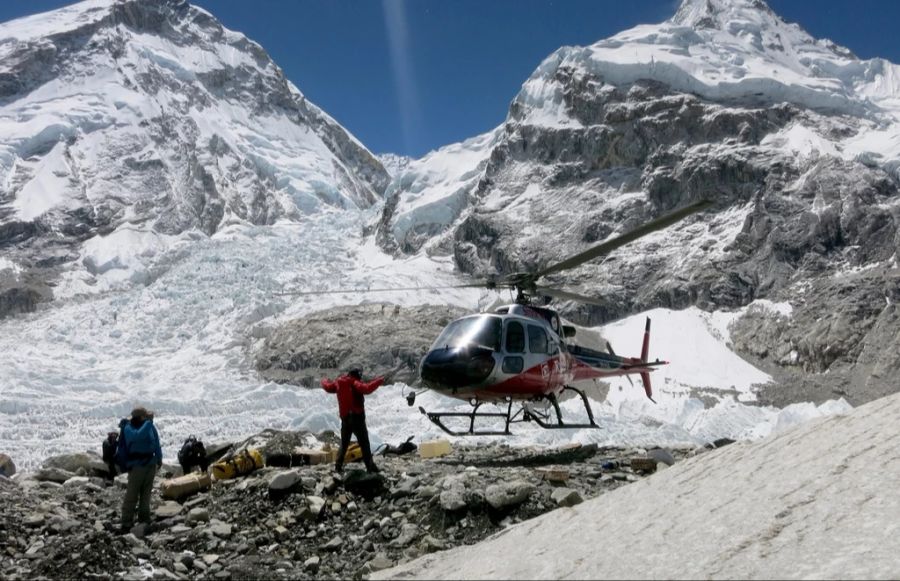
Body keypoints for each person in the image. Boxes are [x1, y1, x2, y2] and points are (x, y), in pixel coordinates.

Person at [321, 368, 385, 474]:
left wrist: (324, 380)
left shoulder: (338, 382)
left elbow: (327, 387)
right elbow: (367, 388)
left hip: (345, 419)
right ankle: (370, 467)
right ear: (356, 375)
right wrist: (379, 380)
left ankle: (338, 466)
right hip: (357, 418)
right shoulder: (354, 382)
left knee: (344, 443)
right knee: (364, 443)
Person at [115, 407, 163, 533]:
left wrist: (159, 458)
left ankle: (144, 518)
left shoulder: (149, 426)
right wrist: (148, 423)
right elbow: (137, 436)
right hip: (136, 466)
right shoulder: (128, 428)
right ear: (141, 417)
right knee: (132, 494)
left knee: (146, 494)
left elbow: (156, 442)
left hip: (150, 464)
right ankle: (126, 521)